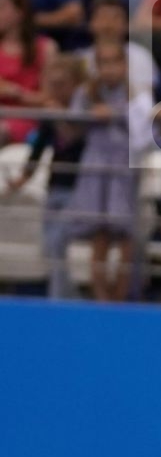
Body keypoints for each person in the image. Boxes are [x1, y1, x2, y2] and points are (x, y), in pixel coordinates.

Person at [63, 39, 151, 302]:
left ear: (125, 65)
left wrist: (115, 113)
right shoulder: (86, 93)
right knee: (99, 233)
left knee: (125, 234)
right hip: (96, 166)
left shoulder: (136, 94)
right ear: (96, 66)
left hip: (124, 167)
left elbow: (147, 127)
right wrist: (90, 114)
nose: (110, 69)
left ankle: (121, 297)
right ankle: (101, 297)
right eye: (104, 63)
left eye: (115, 62)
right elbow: (71, 127)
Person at [10, 54, 86, 298]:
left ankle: (59, 298)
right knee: (50, 247)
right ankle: (66, 296)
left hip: (79, 188)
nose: (55, 90)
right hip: (56, 185)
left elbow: (72, 139)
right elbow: (39, 147)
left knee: (57, 242)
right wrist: (24, 177)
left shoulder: (83, 112)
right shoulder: (50, 113)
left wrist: (59, 116)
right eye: (51, 85)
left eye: (61, 85)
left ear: (76, 85)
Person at [0, 0, 53, 146]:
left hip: (27, 118)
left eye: (1, 8)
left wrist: (16, 93)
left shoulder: (45, 48)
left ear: (20, 12)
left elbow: (49, 97)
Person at [80, 0, 155, 97]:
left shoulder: (141, 56)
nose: (108, 24)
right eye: (103, 17)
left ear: (126, 24)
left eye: (115, 18)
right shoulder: (81, 58)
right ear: (91, 23)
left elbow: (144, 98)